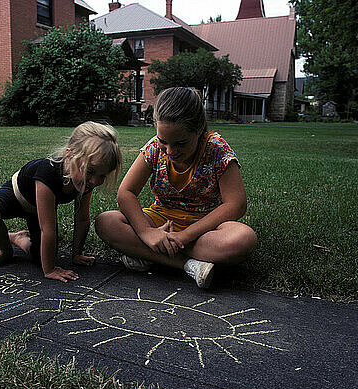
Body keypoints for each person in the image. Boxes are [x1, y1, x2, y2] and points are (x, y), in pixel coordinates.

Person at [95, 87, 257, 289]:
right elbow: (126, 192)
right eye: (164, 141)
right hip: (161, 221)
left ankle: (148, 254)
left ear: (198, 130)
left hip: (205, 228)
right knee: (106, 222)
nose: (170, 151)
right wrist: (147, 232)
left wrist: (185, 236)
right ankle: (189, 265)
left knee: (243, 239)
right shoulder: (154, 148)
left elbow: (236, 205)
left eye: (180, 143)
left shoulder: (217, 150)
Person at [0, 121, 122, 282]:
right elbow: (48, 229)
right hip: (17, 196)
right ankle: (4, 248)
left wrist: (76, 254)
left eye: (102, 175)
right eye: (90, 172)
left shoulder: (85, 181)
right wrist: (50, 269)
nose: (95, 181)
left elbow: (82, 219)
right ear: (70, 156)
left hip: (37, 209)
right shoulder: (48, 172)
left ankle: (18, 238)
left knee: (39, 257)